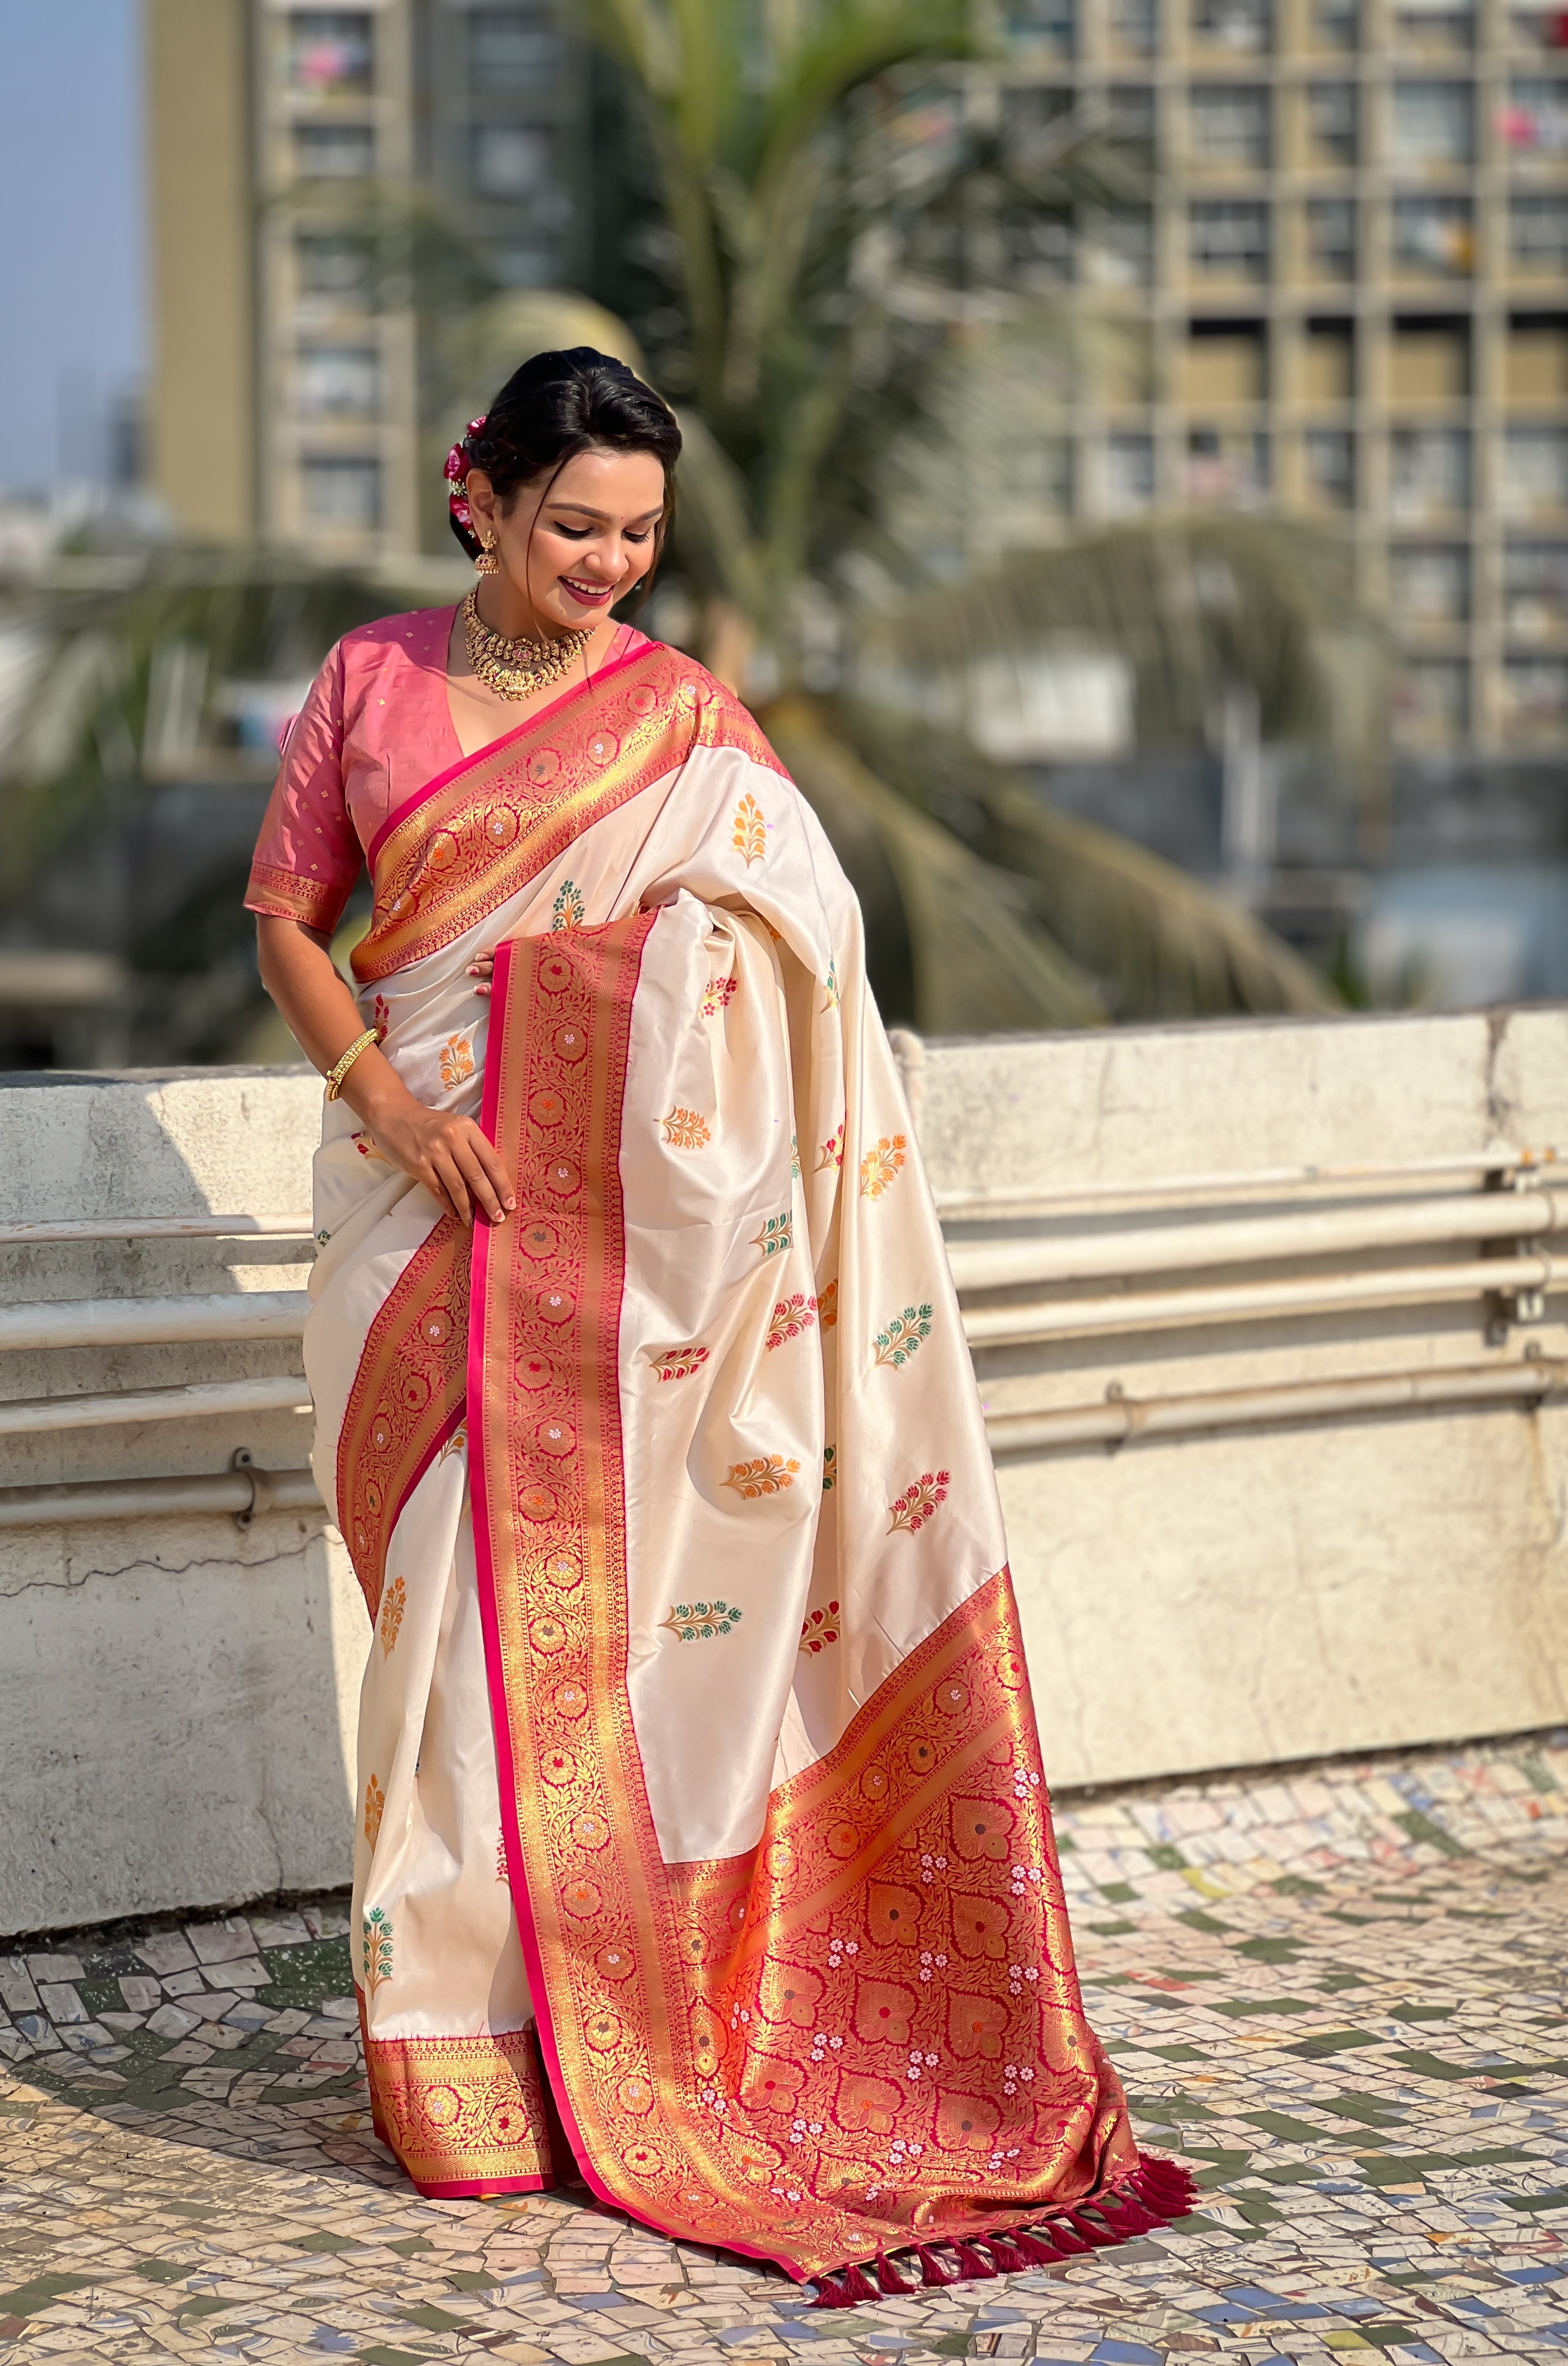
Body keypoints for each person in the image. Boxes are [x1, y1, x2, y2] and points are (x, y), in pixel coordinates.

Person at [246, 347, 1187, 2303]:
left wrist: (637, 1027)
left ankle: (600, 2026)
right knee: (442, 1622)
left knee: (614, 1628)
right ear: (478, 499)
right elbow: (288, 921)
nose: (609, 563)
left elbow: (805, 944)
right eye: (574, 524)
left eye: (642, 534)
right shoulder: (367, 681)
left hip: (641, 1256)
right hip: (417, 1216)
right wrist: (398, 1109)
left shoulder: (682, 721)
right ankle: (454, 2048)